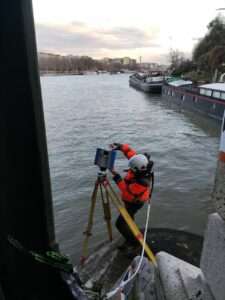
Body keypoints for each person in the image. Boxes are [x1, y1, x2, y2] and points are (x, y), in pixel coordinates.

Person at [110, 143, 153, 250]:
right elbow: (131, 154)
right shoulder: (141, 163)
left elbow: (125, 190)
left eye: (131, 169)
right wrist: (120, 147)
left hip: (134, 203)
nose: (130, 169)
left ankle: (134, 243)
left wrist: (115, 175)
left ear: (137, 169)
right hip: (131, 200)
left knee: (120, 224)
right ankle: (131, 232)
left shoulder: (142, 182)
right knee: (129, 220)